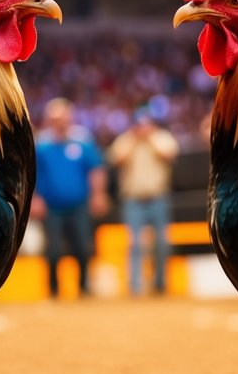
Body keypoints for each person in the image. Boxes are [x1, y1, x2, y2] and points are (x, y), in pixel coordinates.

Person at [33, 98, 109, 298]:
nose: (59, 121)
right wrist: (35, 199)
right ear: (49, 119)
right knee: (53, 250)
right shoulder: (42, 144)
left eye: (63, 117)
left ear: (70, 117)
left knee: (83, 248)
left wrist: (98, 195)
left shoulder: (82, 140)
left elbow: (95, 170)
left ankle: (83, 286)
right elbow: (33, 174)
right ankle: (53, 289)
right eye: (55, 118)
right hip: (52, 207)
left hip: (79, 205)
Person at [108, 107, 179, 296]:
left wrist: (150, 139)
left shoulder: (162, 137)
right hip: (133, 200)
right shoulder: (126, 140)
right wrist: (134, 140)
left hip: (158, 198)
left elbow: (169, 156)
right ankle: (135, 287)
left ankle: (160, 284)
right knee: (135, 244)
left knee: (162, 243)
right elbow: (116, 161)